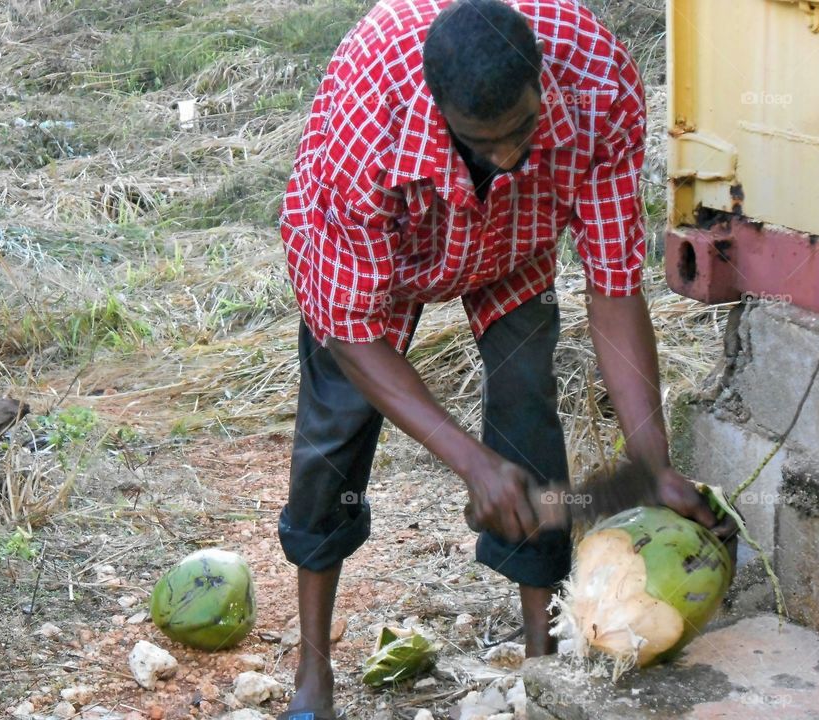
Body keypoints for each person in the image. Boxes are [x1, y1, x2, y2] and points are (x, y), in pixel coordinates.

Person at [276, 1, 734, 718]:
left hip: (512, 238)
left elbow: (614, 287)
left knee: (527, 396)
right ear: (440, 111)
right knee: (334, 436)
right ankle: (314, 666)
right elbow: (351, 329)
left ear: (542, 82)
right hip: (379, 259)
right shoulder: (366, 117)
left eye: (522, 130)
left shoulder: (598, 83)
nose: (509, 157)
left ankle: (541, 650)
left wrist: (651, 464)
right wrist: (471, 463)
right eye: (482, 143)